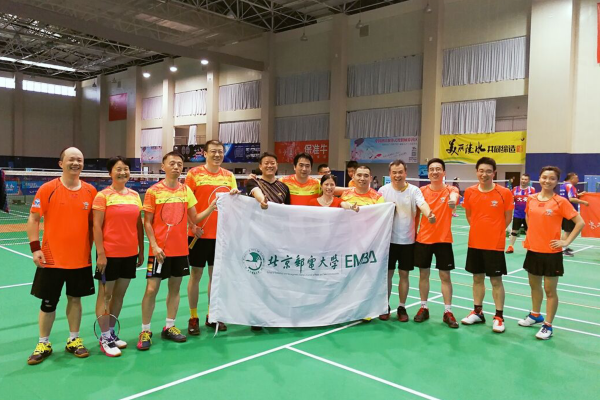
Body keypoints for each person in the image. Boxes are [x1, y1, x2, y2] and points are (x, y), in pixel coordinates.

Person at [137, 151, 217, 351]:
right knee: (151, 290)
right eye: (172, 163)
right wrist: (154, 246)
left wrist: (212, 207)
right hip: (158, 252)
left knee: (175, 289)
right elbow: (147, 222)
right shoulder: (153, 191)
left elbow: (195, 218)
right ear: (163, 166)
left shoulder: (185, 191)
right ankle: (145, 330)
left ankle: (170, 326)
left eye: (179, 164)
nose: (176, 167)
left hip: (180, 250)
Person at [26, 147, 97, 365]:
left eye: (80, 160)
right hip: (52, 258)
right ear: (61, 163)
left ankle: (73, 340)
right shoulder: (48, 189)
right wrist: (35, 248)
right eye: (71, 159)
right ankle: (43, 343)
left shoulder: (91, 191)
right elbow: (34, 218)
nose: (76, 163)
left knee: (75, 299)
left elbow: (95, 225)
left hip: (80, 258)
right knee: (48, 302)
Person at [518, 166, 584, 340]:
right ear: (539, 179)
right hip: (533, 249)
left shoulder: (560, 201)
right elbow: (528, 217)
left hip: (551, 252)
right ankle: (535, 315)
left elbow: (580, 223)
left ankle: (548, 325)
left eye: (552, 178)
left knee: (550, 290)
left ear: (557, 181)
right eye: (544, 177)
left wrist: (566, 242)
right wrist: (533, 234)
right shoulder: (531, 199)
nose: (547, 181)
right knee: (534, 286)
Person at [92, 156, 144, 357]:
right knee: (105, 295)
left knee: (119, 295)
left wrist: (141, 249)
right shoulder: (103, 196)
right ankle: (104, 337)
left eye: (126, 169)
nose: (123, 172)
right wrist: (101, 254)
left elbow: (138, 225)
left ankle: (111, 332)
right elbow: (97, 226)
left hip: (129, 253)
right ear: (110, 173)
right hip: (109, 254)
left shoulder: (134, 195)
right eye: (118, 169)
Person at [185, 140, 238, 336]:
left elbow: (233, 203)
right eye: (213, 151)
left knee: (215, 277)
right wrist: (192, 226)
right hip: (198, 235)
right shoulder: (194, 174)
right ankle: (193, 317)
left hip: (220, 236)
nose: (217, 155)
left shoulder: (229, 176)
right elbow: (185, 202)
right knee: (196, 275)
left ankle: (212, 315)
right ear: (205, 154)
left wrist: (235, 194)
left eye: (220, 152)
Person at [460, 157, 514, 334]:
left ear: (494, 173)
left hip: (495, 245)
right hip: (475, 243)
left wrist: (495, 232)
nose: (484, 174)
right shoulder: (470, 192)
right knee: (477, 278)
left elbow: (508, 218)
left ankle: (499, 316)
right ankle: (478, 312)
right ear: (477, 172)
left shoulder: (504, 193)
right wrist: (479, 230)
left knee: (496, 280)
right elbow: (469, 215)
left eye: (488, 171)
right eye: (481, 171)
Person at [377, 160, 435, 322]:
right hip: (387, 241)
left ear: (405, 173)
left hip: (407, 241)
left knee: (404, 275)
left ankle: (401, 307)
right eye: (394, 172)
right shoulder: (383, 191)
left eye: (400, 172)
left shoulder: (414, 190)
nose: (397, 175)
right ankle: (385, 306)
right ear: (390, 174)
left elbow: (422, 204)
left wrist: (429, 214)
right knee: (387, 275)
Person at [414, 158, 460, 328]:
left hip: (443, 240)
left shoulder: (451, 190)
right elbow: (416, 213)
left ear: (444, 172)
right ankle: (423, 307)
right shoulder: (421, 191)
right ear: (428, 173)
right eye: (432, 169)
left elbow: (454, 196)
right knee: (423, 275)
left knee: (445, 276)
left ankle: (448, 311)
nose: (435, 172)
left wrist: (453, 201)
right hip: (424, 239)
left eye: (438, 169)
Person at [559, 172, 588, 257]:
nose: (578, 180)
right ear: (572, 179)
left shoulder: (563, 185)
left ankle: (564, 246)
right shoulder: (570, 186)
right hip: (569, 211)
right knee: (567, 231)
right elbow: (571, 199)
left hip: (564, 211)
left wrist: (579, 195)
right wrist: (583, 202)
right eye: (576, 178)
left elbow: (568, 196)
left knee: (568, 231)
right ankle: (563, 249)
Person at [506, 173, 535, 254]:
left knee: (528, 232)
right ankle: (510, 247)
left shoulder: (532, 190)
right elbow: (511, 201)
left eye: (525, 179)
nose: (523, 181)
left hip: (528, 215)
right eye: (522, 179)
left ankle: (530, 248)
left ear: (528, 181)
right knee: (514, 231)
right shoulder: (515, 189)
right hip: (517, 214)